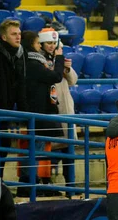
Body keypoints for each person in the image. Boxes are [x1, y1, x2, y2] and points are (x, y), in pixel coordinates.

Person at [18, 31, 65, 197]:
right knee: (34, 151)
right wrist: (59, 58)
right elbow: (55, 76)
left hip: (40, 112)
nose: (40, 46)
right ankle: (27, 185)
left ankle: (34, 183)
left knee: (38, 150)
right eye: (38, 43)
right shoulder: (32, 63)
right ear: (32, 44)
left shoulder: (34, 62)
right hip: (36, 112)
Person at [38, 28, 78, 193]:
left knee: (69, 151)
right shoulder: (40, 61)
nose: (51, 46)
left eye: (53, 43)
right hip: (52, 110)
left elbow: (73, 81)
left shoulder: (60, 59)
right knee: (49, 153)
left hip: (66, 109)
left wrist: (67, 69)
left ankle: (71, 186)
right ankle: (47, 185)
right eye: (48, 43)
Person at [0, 19, 27, 180]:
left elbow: (19, 86)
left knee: (4, 147)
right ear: (4, 37)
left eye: (19, 34)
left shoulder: (18, 55)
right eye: (14, 34)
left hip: (5, 112)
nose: (18, 37)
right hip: (1, 110)